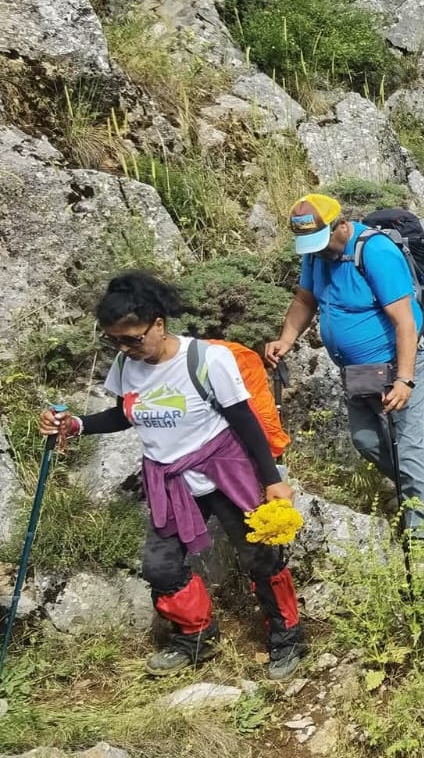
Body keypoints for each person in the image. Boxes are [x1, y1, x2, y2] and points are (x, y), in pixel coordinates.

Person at [38, 272, 304, 677]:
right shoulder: (128, 364)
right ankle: (197, 638)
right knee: (160, 566)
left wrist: (272, 481)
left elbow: (244, 420)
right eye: (114, 340)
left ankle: (287, 639)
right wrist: (76, 425)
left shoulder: (206, 360)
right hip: (171, 480)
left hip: (225, 471)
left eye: (132, 338)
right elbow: (123, 413)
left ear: (159, 324)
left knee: (260, 556)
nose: (124, 348)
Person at [265, 194, 424, 541]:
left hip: (397, 362)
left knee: (407, 444)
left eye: (321, 242)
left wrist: (405, 380)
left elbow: (405, 322)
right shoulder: (316, 256)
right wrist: (286, 339)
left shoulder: (374, 252)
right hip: (358, 369)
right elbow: (305, 299)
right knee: (365, 440)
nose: (316, 251)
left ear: (342, 225)